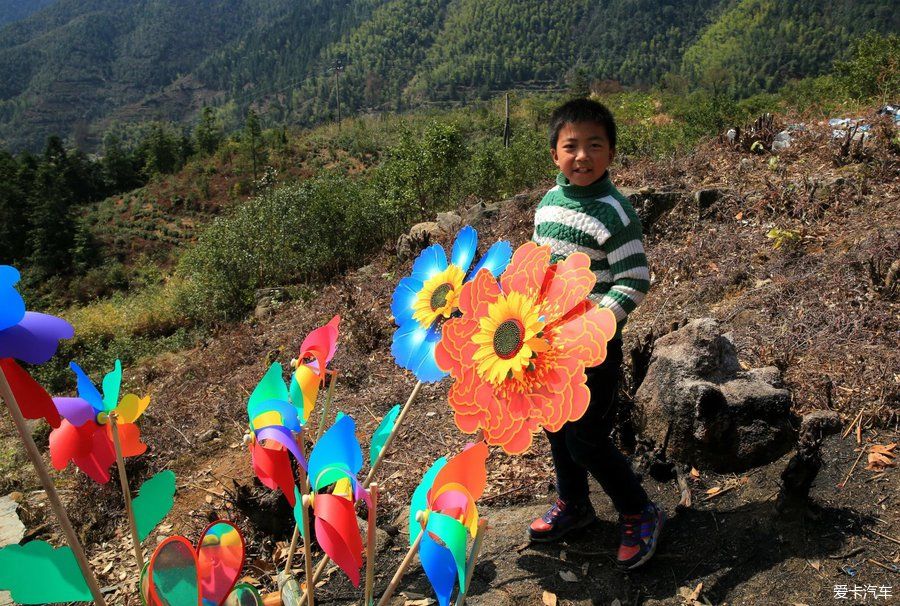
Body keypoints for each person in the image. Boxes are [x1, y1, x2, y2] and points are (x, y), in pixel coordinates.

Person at [528, 97, 663, 570]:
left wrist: (596, 323)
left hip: (596, 349)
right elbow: (540, 269)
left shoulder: (614, 212)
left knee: (587, 438)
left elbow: (634, 279)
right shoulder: (548, 204)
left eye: (594, 145)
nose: (582, 155)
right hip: (550, 348)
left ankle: (638, 510)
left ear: (610, 153)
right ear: (555, 154)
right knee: (557, 428)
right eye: (571, 146)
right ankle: (575, 505)